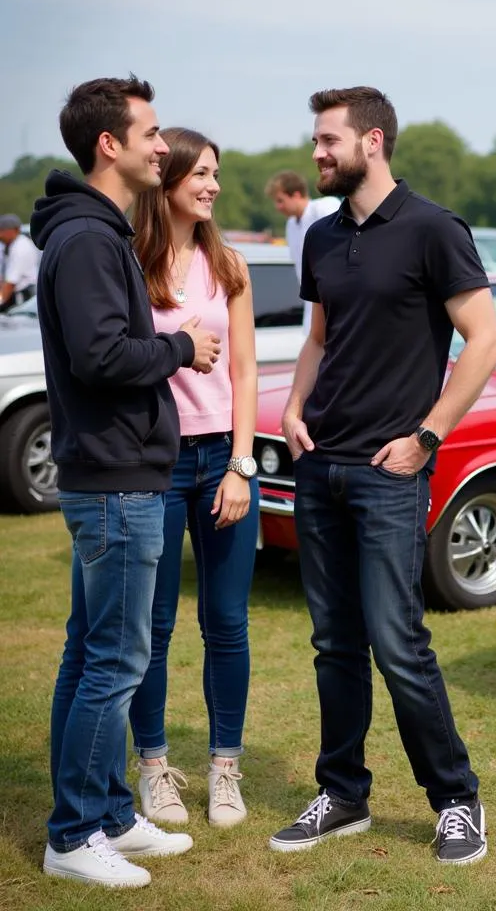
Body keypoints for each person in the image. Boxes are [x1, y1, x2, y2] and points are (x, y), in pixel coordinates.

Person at [270, 86, 496, 865]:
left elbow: (484, 340)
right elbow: (319, 337)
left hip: (388, 471)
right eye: (316, 140)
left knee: (398, 643)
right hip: (320, 466)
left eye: (328, 139)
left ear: (372, 141)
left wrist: (427, 437)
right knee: (334, 643)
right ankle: (343, 794)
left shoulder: (435, 229)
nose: (317, 152)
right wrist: (294, 407)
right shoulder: (323, 237)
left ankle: (456, 799)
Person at [31, 76, 220, 888]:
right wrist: (183, 348)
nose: (159, 145)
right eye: (147, 132)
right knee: (116, 658)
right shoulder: (86, 240)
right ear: (109, 144)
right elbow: (101, 357)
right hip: (115, 481)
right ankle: (74, 835)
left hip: (118, 474)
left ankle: (108, 813)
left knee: (95, 651)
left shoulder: (96, 233)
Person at [129, 128, 259, 830]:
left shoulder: (227, 262)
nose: (211, 185)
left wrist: (241, 464)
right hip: (154, 461)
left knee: (228, 623)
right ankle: (154, 769)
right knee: (152, 626)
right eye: (200, 174)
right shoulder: (129, 260)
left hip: (222, 460)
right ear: (168, 179)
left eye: (216, 174)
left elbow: (244, 371)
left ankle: (225, 770)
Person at [265, 171, 341, 333]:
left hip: (336, 299)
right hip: (312, 301)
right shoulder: (291, 225)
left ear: (296, 195)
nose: (278, 207)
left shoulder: (322, 207)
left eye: (281, 201)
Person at [0, 212, 39, 310]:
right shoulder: (10, 245)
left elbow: (10, 283)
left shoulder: (20, 247)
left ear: (15, 230)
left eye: (2, 230)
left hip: (23, 298)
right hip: (16, 295)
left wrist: (0, 301)